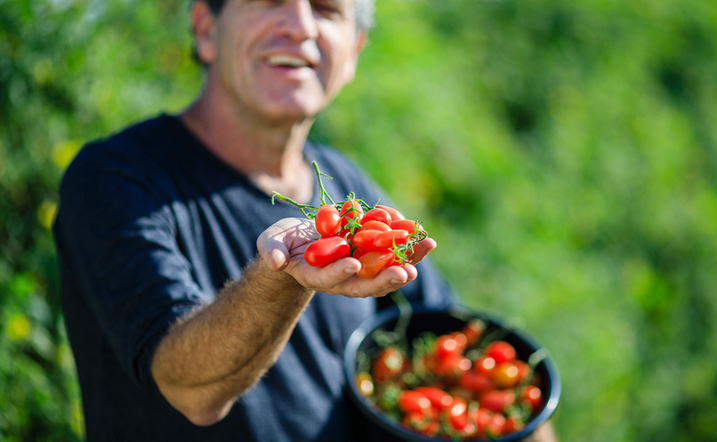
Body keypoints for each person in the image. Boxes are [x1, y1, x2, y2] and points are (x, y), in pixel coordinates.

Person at [54, 0, 555, 440]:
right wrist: (283, 281)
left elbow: (466, 349)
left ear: (355, 50)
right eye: (269, 0)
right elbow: (189, 388)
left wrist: (526, 423)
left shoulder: (348, 187)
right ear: (206, 29)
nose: (300, 25)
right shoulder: (117, 179)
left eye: (326, 8)